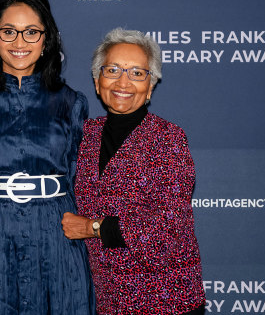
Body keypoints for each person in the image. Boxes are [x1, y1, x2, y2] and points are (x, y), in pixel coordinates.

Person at [0, 0, 95, 314]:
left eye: (31, 32)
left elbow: (81, 183)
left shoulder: (70, 103)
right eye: (9, 32)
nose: (20, 43)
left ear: (47, 40)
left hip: (56, 234)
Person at [62, 28, 206, 314]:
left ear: (150, 86)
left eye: (137, 73)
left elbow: (165, 232)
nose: (123, 81)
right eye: (113, 69)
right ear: (97, 80)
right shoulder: (82, 135)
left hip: (165, 301)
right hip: (105, 301)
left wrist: (94, 227)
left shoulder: (169, 139)